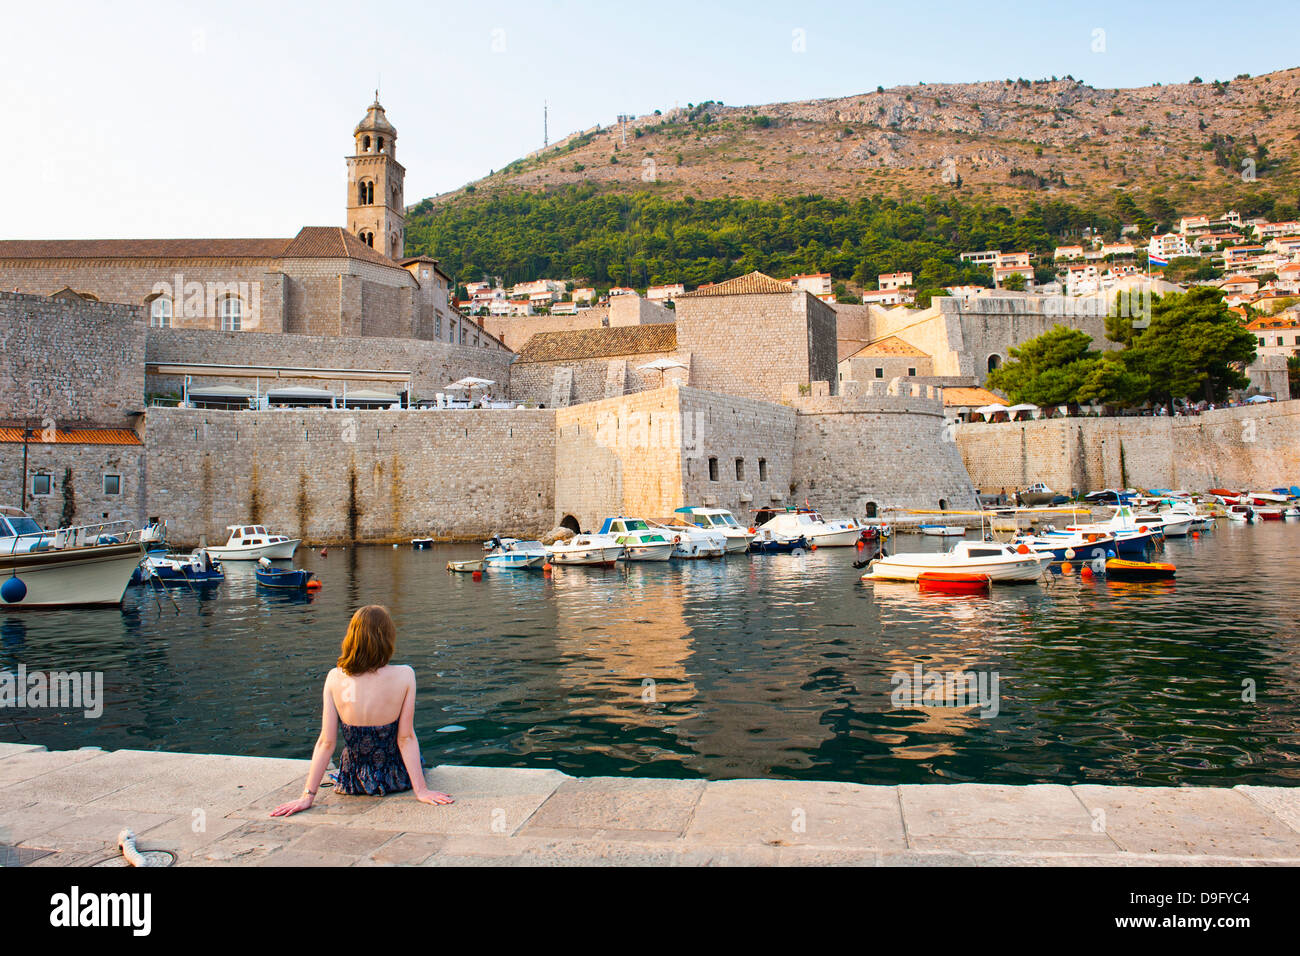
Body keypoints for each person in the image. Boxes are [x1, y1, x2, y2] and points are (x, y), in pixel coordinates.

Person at [272, 605, 453, 816]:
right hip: (394, 778)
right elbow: (406, 739)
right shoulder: (405, 675)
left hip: (352, 780)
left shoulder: (334, 677)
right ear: (387, 638)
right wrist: (421, 791)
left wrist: (307, 796)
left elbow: (326, 742)